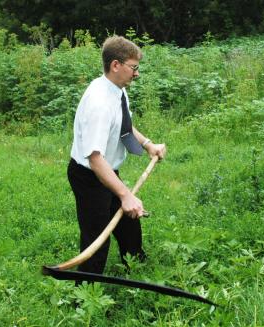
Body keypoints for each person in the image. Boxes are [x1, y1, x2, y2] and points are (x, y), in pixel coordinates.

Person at [67, 35, 166, 275]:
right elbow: (95, 159)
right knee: (97, 239)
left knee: (129, 225)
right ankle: (85, 297)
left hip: (107, 171)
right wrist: (125, 194)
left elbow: (123, 124)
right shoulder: (99, 102)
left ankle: (137, 271)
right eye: (134, 67)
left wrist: (147, 144)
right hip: (90, 176)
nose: (137, 74)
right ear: (115, 65)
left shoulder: (115, 90)